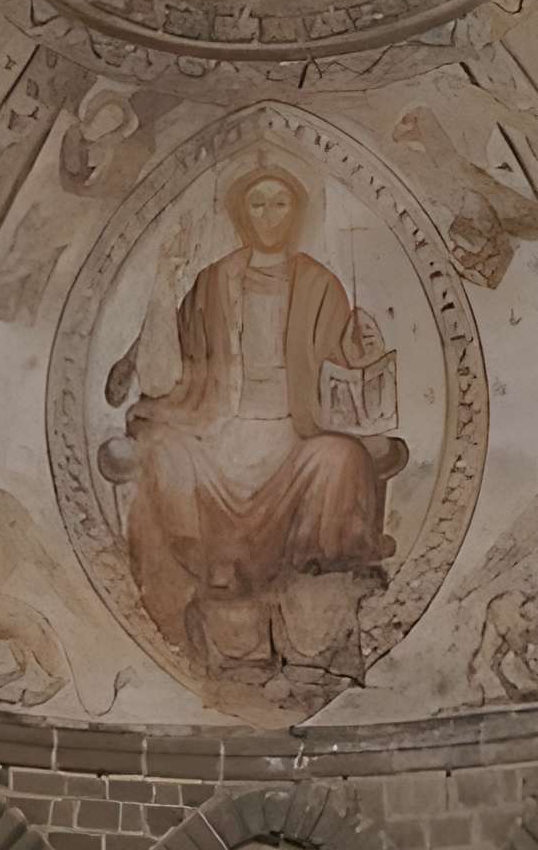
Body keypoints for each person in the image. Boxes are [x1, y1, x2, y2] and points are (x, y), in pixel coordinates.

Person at [100, 164, 404, 667]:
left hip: (294, 433)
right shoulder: (214, 280)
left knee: (341, 458)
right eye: (258, 203)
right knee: (164, 454)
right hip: (220, 432)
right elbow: (163, 377)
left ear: (297, 213)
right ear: (242, 212)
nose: (268, 215)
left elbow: (341, 361)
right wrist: (163, 282)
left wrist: (363, 352)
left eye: (279, 203)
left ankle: (313, 608)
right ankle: (208, 586)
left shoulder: (320, 283)